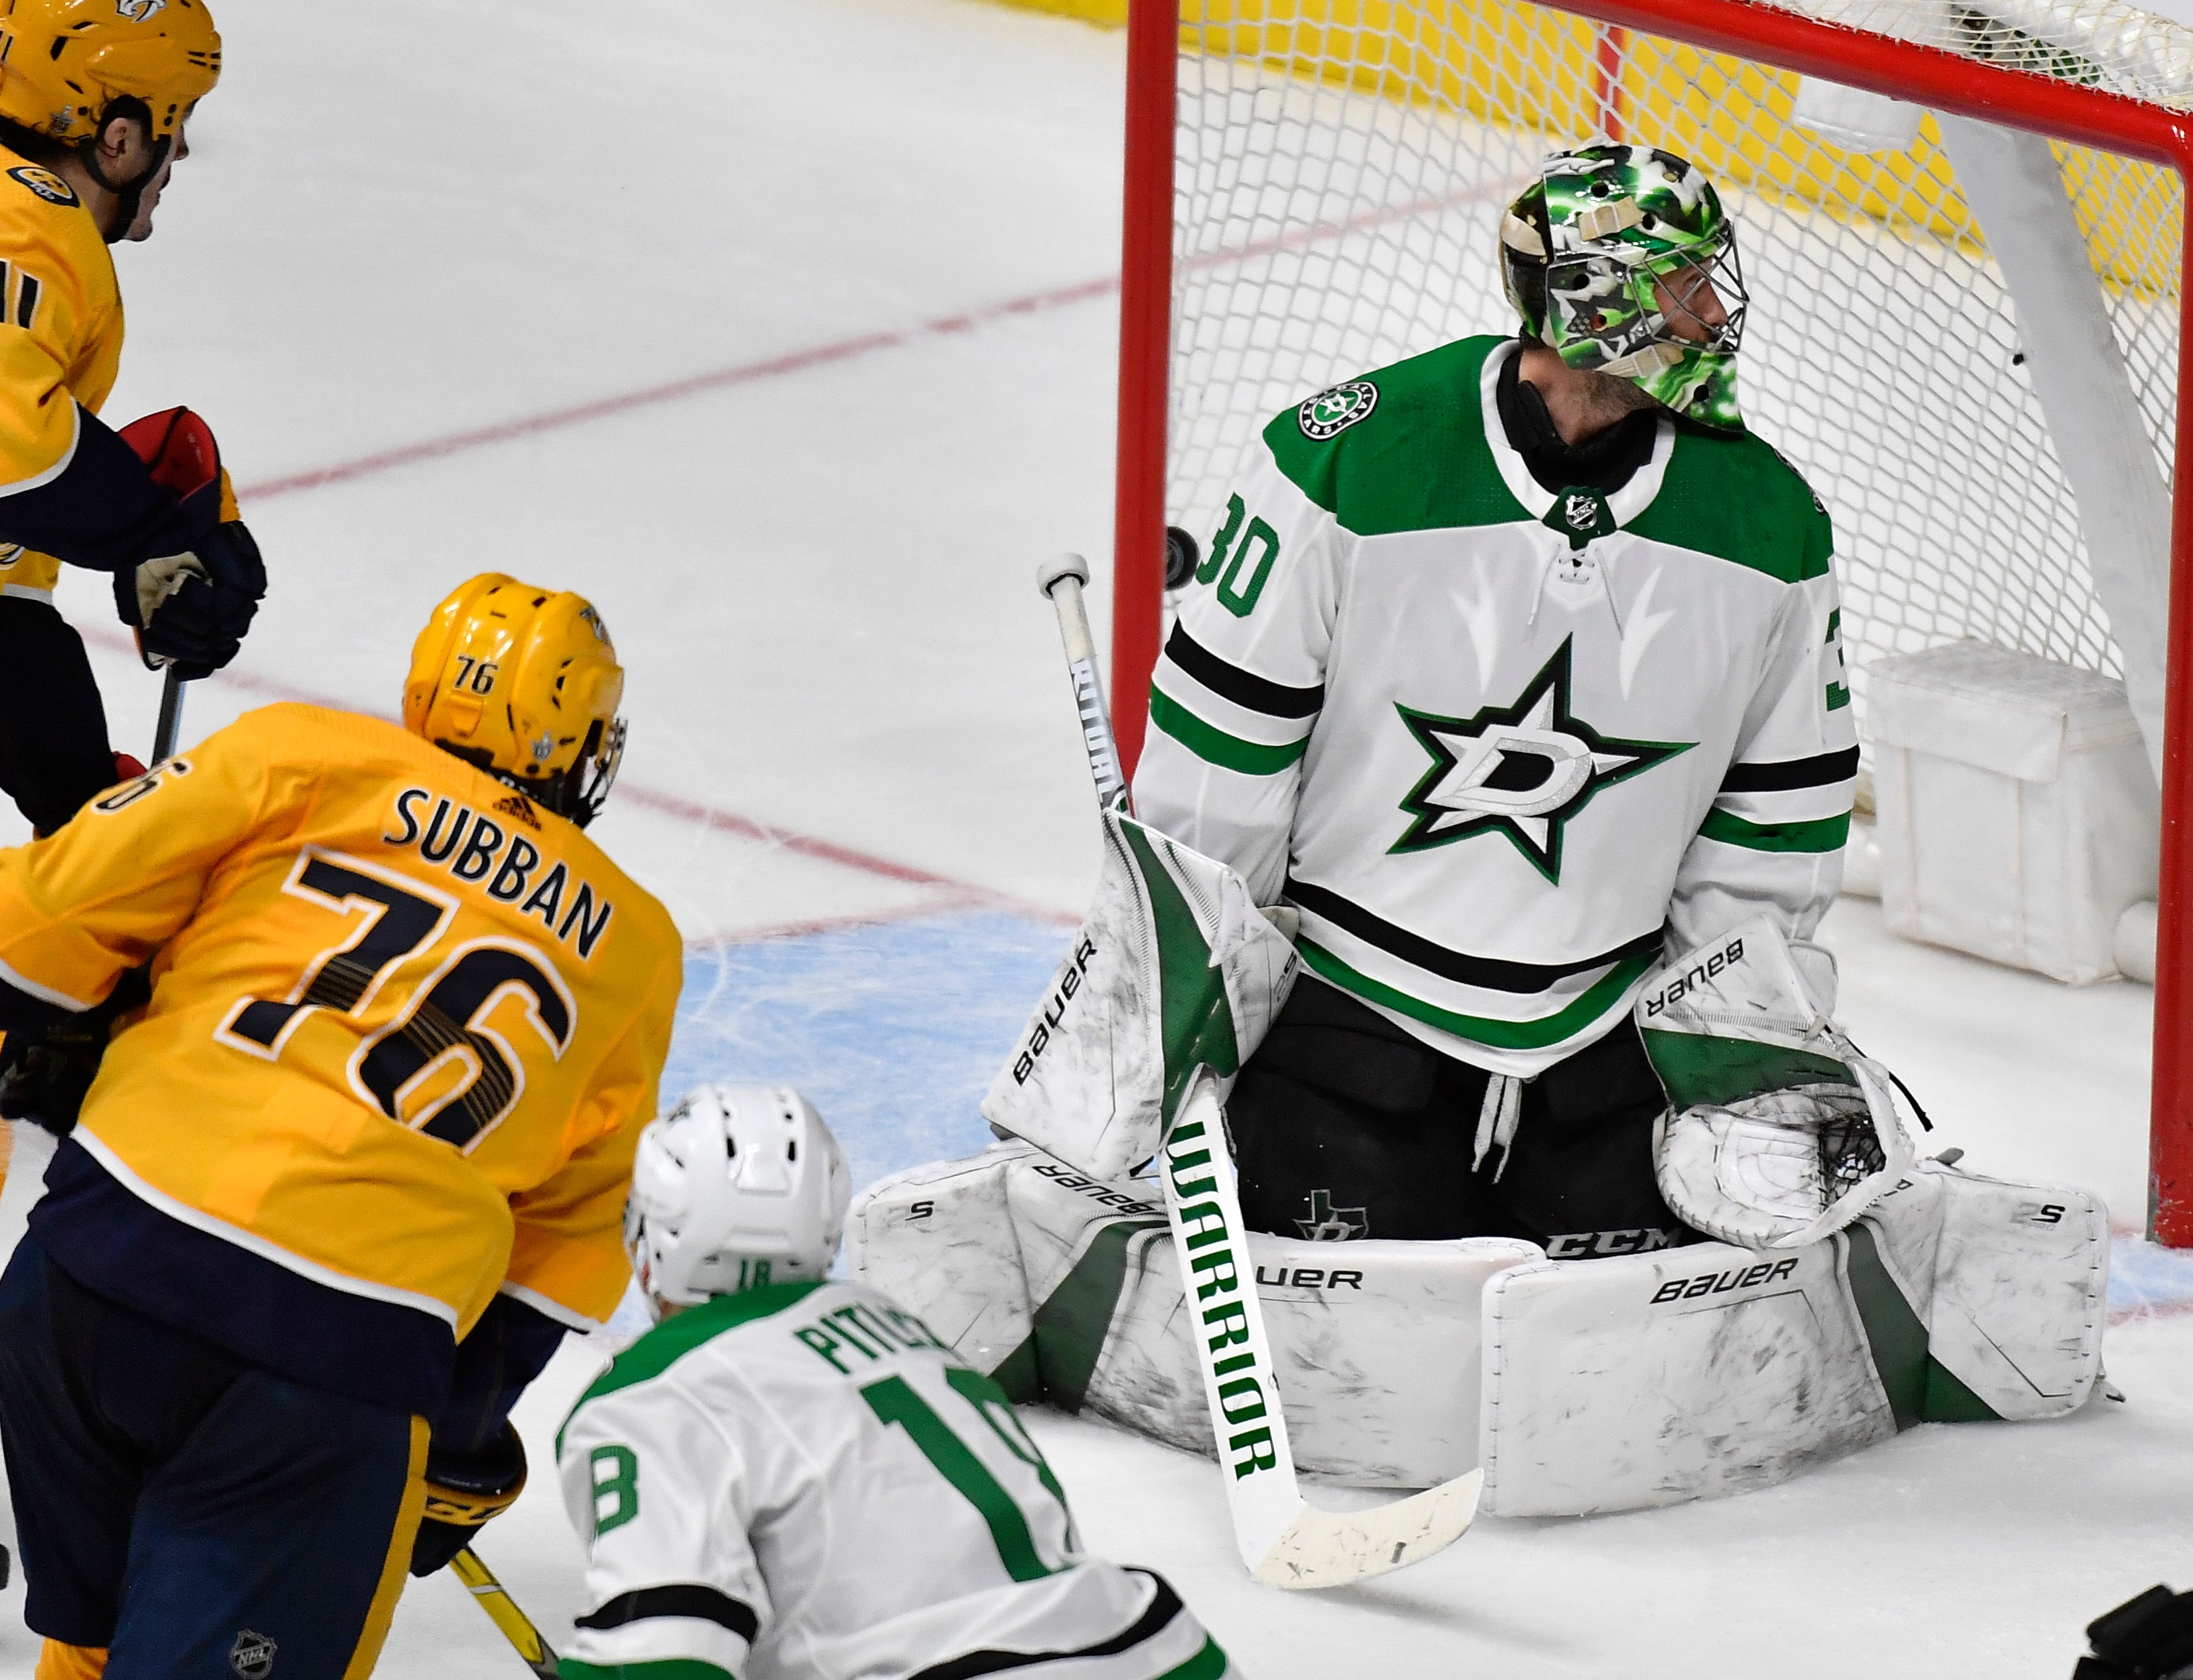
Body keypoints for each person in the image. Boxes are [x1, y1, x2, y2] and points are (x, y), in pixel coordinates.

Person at [1131, 141, 1854, 1259]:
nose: (1714, 309)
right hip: (1345, 1023)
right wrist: (1185, 1016)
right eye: (1682, 282)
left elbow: (1776, 821)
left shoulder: (1769, 524)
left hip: (1607, 1050)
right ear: (1592, 299)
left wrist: (1733, 1055)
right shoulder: (1348, 463)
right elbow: (1217, 763)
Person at [0, 572, 681, 1680]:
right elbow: (566, 1244)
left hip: (80, 1291)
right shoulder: (634, 948)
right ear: (580, 738)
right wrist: (454, 1439)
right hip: (322, 1367)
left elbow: (32, 924)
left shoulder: (299, 753)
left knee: (108, 1632)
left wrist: (69, 1034)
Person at [560, 1083, 1240, 1680]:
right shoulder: (892, 1326)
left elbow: (660, 1655)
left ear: (649, 1240)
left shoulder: (649, 1395)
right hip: (1158, 1651)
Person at [0, 0, 266, 834]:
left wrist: (74, 784)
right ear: (119, 137)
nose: (181, 145)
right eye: (173, 121)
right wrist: (158, 531)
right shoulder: (29, 221)